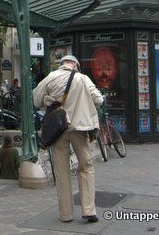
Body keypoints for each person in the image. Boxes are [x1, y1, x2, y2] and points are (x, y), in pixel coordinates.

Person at [33, 55, 104, 224]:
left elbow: (36, 101)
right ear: (75, 65)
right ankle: (88, 210)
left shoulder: (50, 77)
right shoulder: (83, 78)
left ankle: (66, 214)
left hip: (58, 130)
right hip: (80, 129)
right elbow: (99, 100)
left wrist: (50, 100)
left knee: (61, 172)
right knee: (86, 167)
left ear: (62, 65)